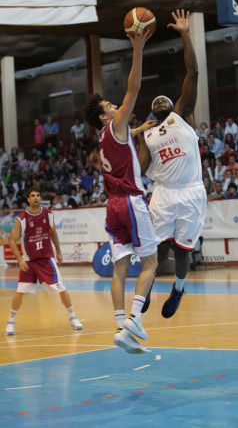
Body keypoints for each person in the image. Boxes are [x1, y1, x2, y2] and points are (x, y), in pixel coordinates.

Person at [82, 28, 159, 354]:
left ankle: (118, 326)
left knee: (120, 268)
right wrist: (137, 48)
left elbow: (124, 139)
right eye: (111, 106)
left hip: (112, 207)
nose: (117, 106)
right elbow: (134, 87)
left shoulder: (103, 138)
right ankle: (134, 320)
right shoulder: (115, 125)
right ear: (104, 116)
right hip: (130, 201)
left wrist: (140, 129)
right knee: (152, 263)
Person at [138, 9, 207, 319]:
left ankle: (178, 289)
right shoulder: (148, 134)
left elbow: (192, 73)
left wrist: (184, 34)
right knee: (158, 250)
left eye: (164, 100)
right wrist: (134, 136)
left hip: (191, 191)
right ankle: (146, 291)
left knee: (182, 251)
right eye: (155, 102)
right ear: (152, 112)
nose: (160, 102)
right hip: (164, 193)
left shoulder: (183, 114)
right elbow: (138, 170)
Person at [5, 187, 83, 336]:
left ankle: (73, 317)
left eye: (38, 195)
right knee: (20, 291)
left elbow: (53, 232)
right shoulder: (22, 219)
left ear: (40, 198)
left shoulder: (48, 214)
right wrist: (20, 259)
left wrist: (59, 251)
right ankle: (11, 322)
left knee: (61, 288)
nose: (36, 197)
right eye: (33, 195)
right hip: (29, 261)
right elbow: (11, 240)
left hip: (46, 259)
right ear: (28, 199)